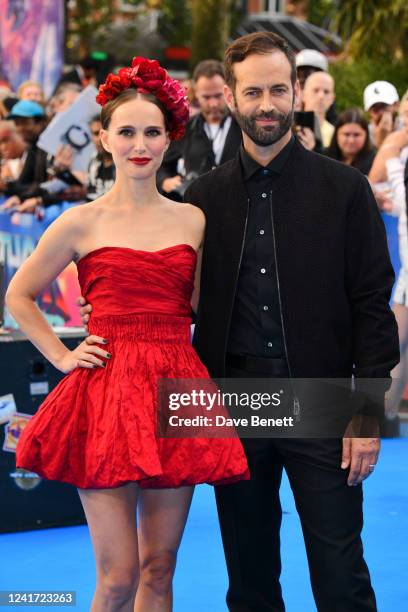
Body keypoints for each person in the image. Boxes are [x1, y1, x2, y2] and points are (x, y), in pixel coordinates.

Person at [79, 36, 398, 611]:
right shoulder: (205, 199)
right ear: (230, 97)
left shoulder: (344, 189)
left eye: (278, 89)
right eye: (253, 91)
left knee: (340, 572)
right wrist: (108, 305)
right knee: (249, 577)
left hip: (324, 396)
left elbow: (372, 306)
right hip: (233, 400)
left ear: (296, 92)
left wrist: (367, 411)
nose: (267, 103)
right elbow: (174, 293)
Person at [7, 57, 249, 612]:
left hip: (175, 385)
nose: (140, 144)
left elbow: (197, 304)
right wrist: (64, 356)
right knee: (117, 577)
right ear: (104, 138)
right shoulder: (78, 221)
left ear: (169, 139)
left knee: (159, 570)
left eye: (151, 132)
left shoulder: (193, 220)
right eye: (127, 132)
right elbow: (19, 296)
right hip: (106, 391)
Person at [369, 91, 408, 434]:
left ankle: (386, 415)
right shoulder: (396, 145)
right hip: (404, 258)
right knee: (397, 340)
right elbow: (370, 182)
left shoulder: (396, 149)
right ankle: (385, 415)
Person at [157, 59, 241, 200]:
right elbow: (162, 167)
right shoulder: (184, 129)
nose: (213, 103)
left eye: (218, 96)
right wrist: (165, 181)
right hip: (194, 209)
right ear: (195, 93)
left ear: (228, 91)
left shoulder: (245, 127)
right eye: (206, 97)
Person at [326, 107, 376, 174]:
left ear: (366, 135)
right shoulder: (323, 157)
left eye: (356, 135)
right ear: (336, 134)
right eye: (346, 134)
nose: (351, 140)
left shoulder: (375, 162)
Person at [302, 70, 335, 148]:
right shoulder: (289, 131)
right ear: (303, 95)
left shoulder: (336, 134)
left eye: (326, 92)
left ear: (332, 99)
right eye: (315, 90)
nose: (321, 96)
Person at [363, 80, 400, 149]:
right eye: (375, 109)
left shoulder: (405, 128)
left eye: (384, 106)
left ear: (396, 105)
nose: (380, 113)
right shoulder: (364, 135)